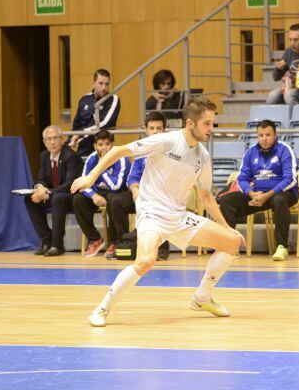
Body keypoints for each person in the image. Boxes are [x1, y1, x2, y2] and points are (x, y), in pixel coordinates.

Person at [72, 98, 245, 327]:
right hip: (152, 213)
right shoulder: (166, 141)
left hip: (178, 217)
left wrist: (226, 227)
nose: (211, 129)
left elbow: (206, 197)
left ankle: (202, 297)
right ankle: (103, 308)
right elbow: (117, 151)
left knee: (232, 242)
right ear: (191, 123)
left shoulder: (202, 156)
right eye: (207, 123)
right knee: (146, 261)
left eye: (213, 123)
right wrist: (90, 178)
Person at [218, 120, 298, 261]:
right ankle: (231, 246)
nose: (264, 138)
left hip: (283, 193)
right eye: (261, 135)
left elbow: (290, 179)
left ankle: (281, 247)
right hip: (257, 195)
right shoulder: (251, 152)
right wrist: (251, 193)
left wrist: (267, 195)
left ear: (275, 135)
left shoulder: (285, 150)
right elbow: (242, 178)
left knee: (279, 200)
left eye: (268, 135)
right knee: (226, 200)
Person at [106, 112, 171, 261]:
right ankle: (123, 243)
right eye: (152, 128)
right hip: (141, 193)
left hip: (162, 194)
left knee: (162, 203)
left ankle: (161, 248)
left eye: (159, 128)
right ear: (146, 130)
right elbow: (134, 176)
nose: (155, 131)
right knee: (116, 202)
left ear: (164, 129)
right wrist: (135, 190)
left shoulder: (170, 150)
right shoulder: (140, 150)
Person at [24, 125, 83, 257]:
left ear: (62, 140)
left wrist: (47, 192)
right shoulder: (45, 156)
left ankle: (57, 245)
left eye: (55, 138)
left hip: (72, 196)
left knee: (58, 198)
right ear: (44, 143)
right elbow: (41, 178)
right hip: (55, 194)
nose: (52, 142)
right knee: (30, 199)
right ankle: (46, 240)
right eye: (48, 139)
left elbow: (70, 184)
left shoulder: (71, 156)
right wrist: (40, 188)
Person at [72, 130, 129, 258]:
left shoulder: (122, 159)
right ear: (95, 146)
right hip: (98, 194)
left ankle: (115, 242)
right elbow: (83, 182)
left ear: (113, 145)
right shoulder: (91, 159)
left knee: (113, 199)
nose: (104, 148)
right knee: (78, 199)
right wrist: (93, 195)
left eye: (107, 144)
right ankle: (95, 239)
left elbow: (116, 186)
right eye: (100, 144)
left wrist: (102, 166)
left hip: (117, 193)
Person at [69, 69, 120, 158]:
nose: (104, 87)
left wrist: (80, 134)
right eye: (100, 83)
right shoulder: (84, 99)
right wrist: (71, 139)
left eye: (107, 84)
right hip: (84, 149)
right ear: (93, 83)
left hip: (104, 149)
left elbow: (104, 123)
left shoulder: (114, 99)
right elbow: (76, 123)